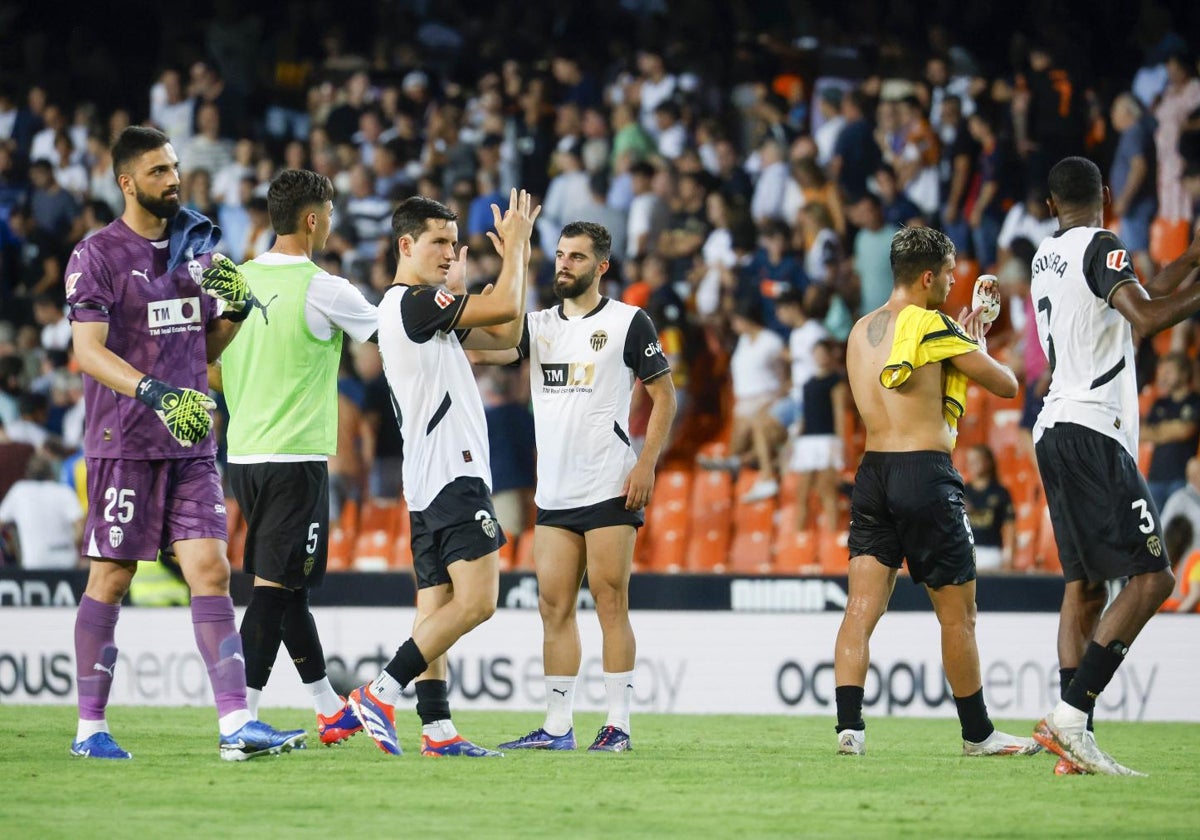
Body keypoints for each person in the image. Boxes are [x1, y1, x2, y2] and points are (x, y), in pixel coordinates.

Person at [65, 125, 304, 760]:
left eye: (174, 168)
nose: (173, 180)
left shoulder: (195, 253)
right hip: (126, 440)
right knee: (112, 576)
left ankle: (235, 726)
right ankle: (90, 730)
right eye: (158, 172)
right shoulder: (98, 255)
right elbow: (86, 352)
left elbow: (201, 349)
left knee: (212, 568)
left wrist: (234, 313)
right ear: (127, 182)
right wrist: (154, 394)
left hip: (191, 440)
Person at [468, 221, 674, 752]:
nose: (564, 265)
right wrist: (500, 270)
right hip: (554, 494)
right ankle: (558, 726)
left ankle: (619, 724)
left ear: (602, 266)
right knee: (553, 607)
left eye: (577, 257)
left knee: (611, 602)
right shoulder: (538, 325)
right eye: (560, 255)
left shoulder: (630, 322)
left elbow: (664, 397)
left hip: (609, 485)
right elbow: (483, 347)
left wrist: (646, 464)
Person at [833, 225, 1039, 758]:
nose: (953, 281)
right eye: (948, 273)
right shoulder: (930, 324)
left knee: (860, 608)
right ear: (928, 276)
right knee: (958, 615)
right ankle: (978, 734)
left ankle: (849, 730)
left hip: (873, 472)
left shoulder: (858, 331)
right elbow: (1007, 385)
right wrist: (973, 345)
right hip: (924, 473)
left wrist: (959, 347)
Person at [347, 189, 539, 758]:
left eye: (454, 245)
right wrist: (519, 249)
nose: (451, 255)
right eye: (438, 242)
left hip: (427, 479)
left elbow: (506, 340)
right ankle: (379, 692)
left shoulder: (416, 312)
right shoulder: (416, 303)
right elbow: (504, 311)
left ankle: (437, 730)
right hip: (454, 475)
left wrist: (518, 262)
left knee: (435, 607)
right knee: (478, 602)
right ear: (405, 244)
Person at [1030, 156, 1200, 776]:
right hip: (1094, 428)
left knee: (1085, 587)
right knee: (1153, 579)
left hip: (1054, 427)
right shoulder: (1104, 246)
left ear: (1052, 204)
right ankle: (1071, 717)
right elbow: (1148, 316)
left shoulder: (1046, 258)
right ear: (1106, 194)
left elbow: (1133, 294)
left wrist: (1190, 261)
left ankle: (1074, 748)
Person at [219, 169, 379, 746]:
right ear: (312, 219)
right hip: (295, 457)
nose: (331, 222)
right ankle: (242, 721)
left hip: (244, 456)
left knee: (288, 588)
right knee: (270, 590)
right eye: (329, 212)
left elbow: (212, 362)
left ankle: (327, 707)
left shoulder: (235, 279)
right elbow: (391, 336)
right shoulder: (326, 287)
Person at [0, 452, 83, 569]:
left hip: (35, 563)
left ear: (28, 473)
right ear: (51, 472)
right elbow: (80, 528)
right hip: (66, 560)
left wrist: (9, 550)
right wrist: (69, 545)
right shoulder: (64, 492)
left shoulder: (19, 491)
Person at [1141, 352, 1200, 513]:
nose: (1162, 377)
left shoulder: (1195, 401)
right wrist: (1172, 429)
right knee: (1153, 533)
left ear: (1184, 373)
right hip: (1155, 477)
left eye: (1168, 372)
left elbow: (1186, 430)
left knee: (1176, 532)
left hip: (1181, 478)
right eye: (1161, 373)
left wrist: (1159, 432)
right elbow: (1143, 433)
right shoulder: (1160, 403)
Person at [962, 444, 1015, 573]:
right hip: (965, 552)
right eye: (970, 461)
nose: (972, 465)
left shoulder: (1000, 492)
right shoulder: (962, 492)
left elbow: (1010, 525)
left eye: (976, 460)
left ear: (988, 462)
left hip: (991, 553)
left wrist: (1009, 556)